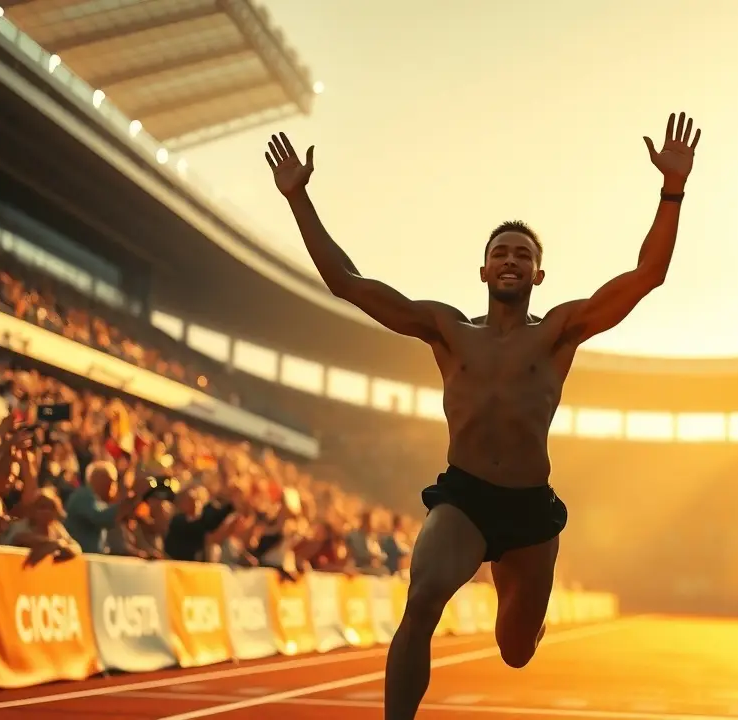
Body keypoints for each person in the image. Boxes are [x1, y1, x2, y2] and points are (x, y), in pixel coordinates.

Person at [266, 111, 701, 719]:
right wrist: (299, 197)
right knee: (420, 603)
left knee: (516, 651)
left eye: (523, 253)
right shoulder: (447, 330)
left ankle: (520, 607)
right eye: (500, 251)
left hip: (530, 509)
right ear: (483, 269)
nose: (510, 259)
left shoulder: (558, 331)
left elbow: (647, 275)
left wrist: (672, 190)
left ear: (538, 273)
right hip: (464, 499)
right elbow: (349, 282)